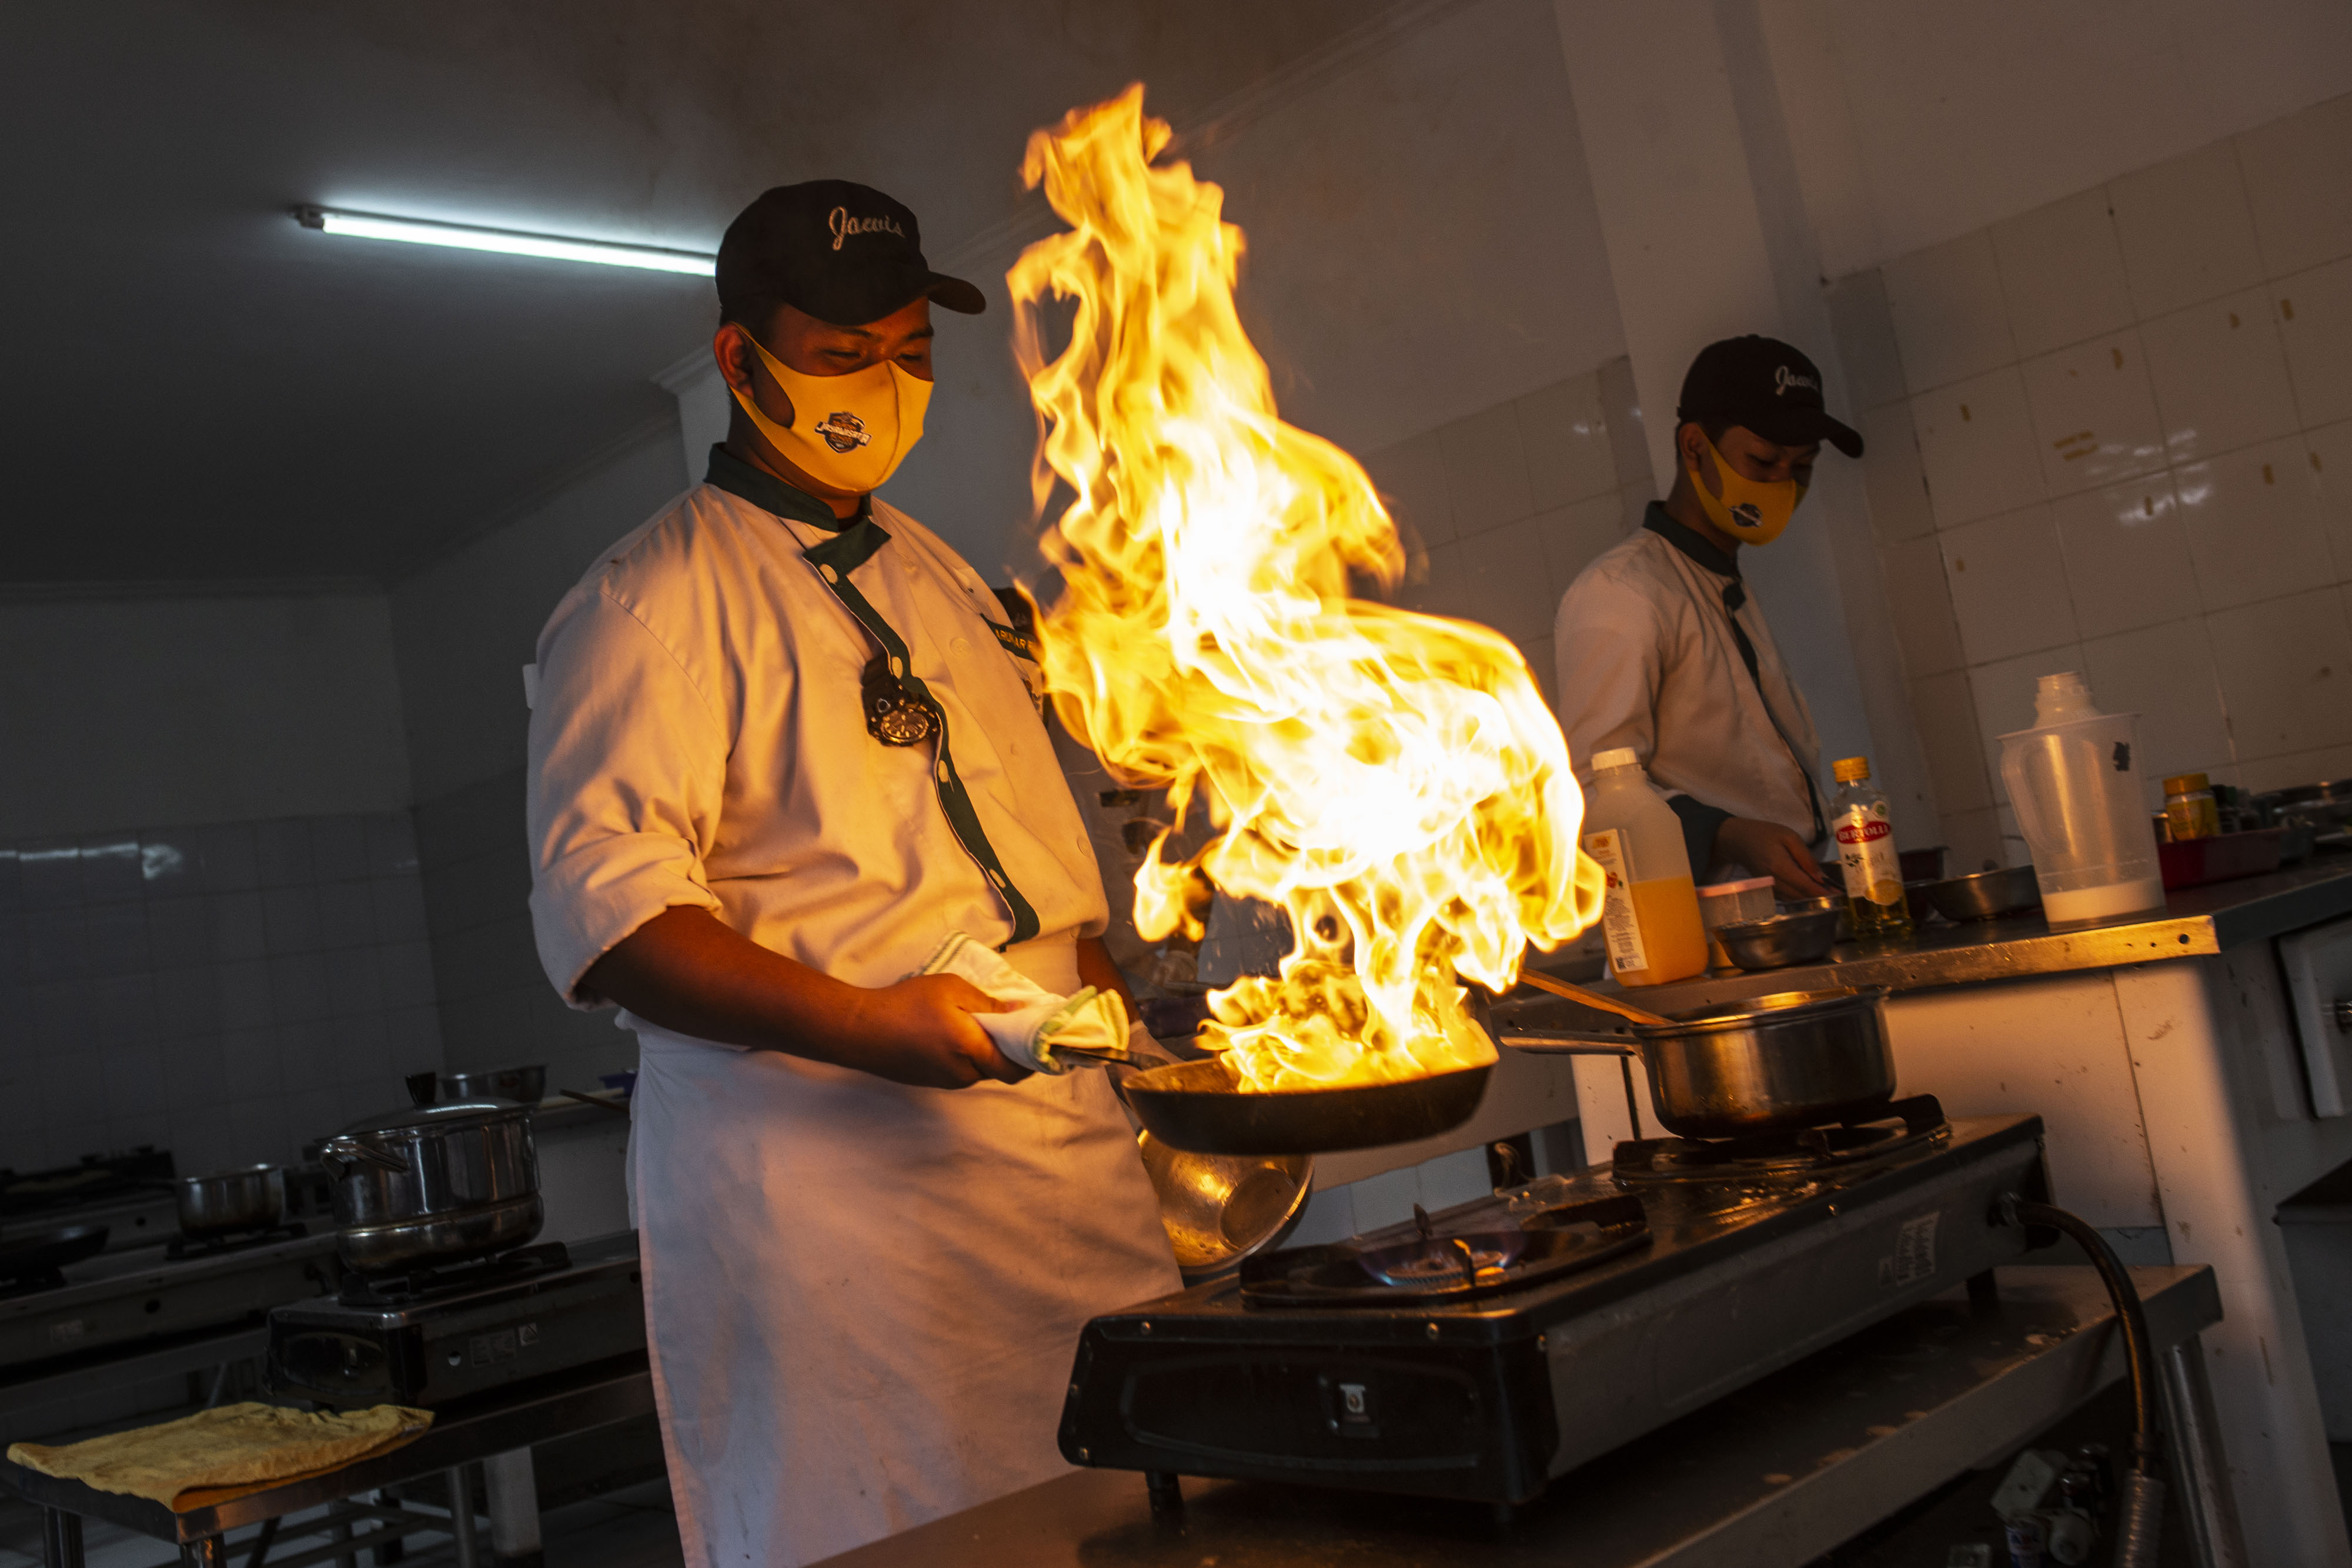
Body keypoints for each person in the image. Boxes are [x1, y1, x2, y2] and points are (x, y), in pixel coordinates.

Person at [524, 180, 1180, 1568]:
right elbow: (614, 920)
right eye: (840, 353)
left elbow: (1024, 854)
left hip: (1056, 1160)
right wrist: (871, 1023)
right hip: (838, 1203)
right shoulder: (645, 605)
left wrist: (1117, 1007)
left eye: (906, 348)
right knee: (898, 1528)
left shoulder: (946, 581)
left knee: (1133, 1513)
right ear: (738, 361)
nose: (881, 382)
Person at [1552, 336, 1865, 898]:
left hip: (1774, 923)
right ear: (1694, 447)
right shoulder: (1622, 593)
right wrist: (1727, 835)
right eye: (1764, 461)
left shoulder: (1719, 579)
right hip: (1692, 937)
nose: (1782, 486)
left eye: (1803, 467)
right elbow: (1590, 792)